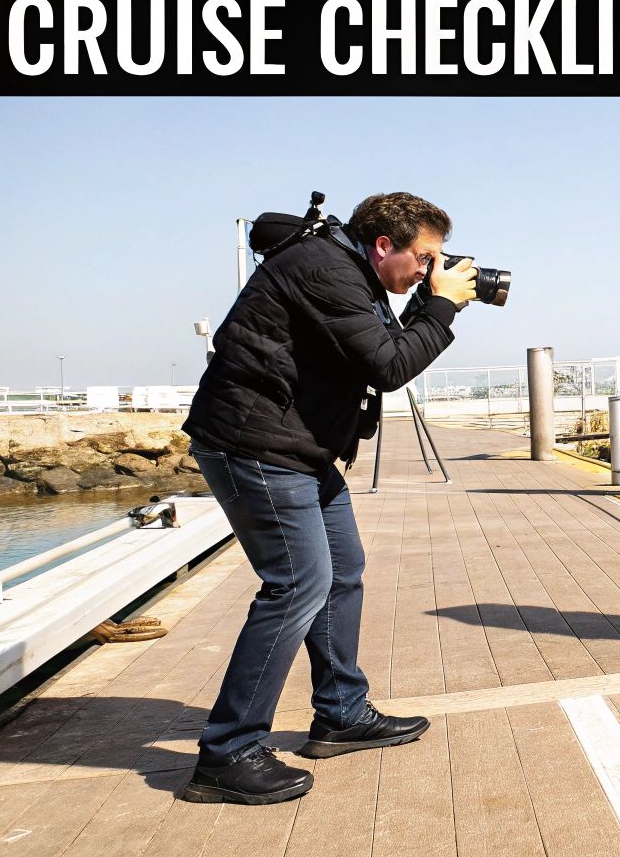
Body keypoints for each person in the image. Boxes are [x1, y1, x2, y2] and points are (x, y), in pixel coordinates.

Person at [178, 192, 479, 805]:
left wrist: (426, 299)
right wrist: (442, 306)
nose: (429, 271)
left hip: (299, 447)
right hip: (256, 444)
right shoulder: (325, 270)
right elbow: (391, 365)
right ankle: (227, 751)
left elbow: (377, 350)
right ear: (383, 246)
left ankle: (340, 713)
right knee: (297, 584)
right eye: (424, 259)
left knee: (343, 572)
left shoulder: (351, 273)